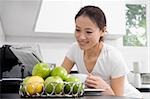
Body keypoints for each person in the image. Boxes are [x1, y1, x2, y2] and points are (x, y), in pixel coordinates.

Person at [61, 5, 142, 98]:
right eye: (78, 30)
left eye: (88, 32)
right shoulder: (74, 49)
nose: (81, 37)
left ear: (102, 31)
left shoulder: (113, 57)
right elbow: (59, 78)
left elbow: (118, 97)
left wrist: (105, 88)